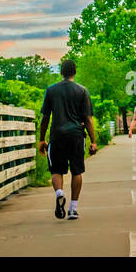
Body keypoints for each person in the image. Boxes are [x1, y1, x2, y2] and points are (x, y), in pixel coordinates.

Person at [38, 58, 98, 220]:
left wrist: (42, 139)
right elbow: (88, 119)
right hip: (77, 136)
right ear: (75, 72)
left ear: (61, 72)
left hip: (57, 136)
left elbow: (45, 117)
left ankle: (59, 193)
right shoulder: (82, 91)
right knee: (76, 171)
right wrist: (93, 141)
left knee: (56, 170)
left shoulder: (51, 91)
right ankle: (73, 209)